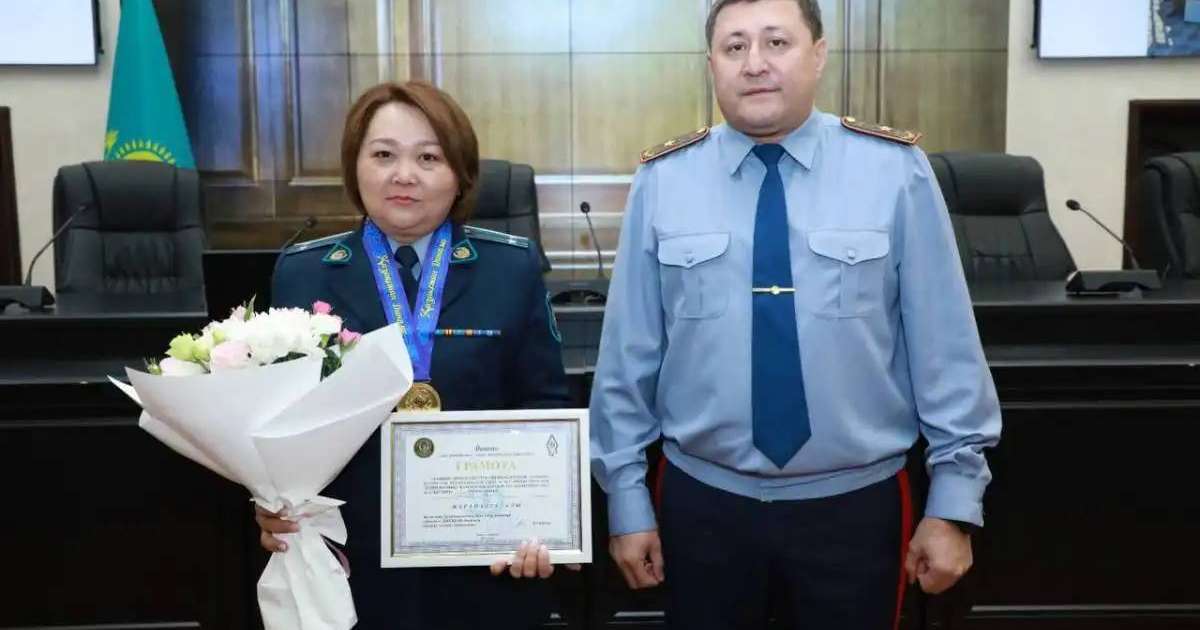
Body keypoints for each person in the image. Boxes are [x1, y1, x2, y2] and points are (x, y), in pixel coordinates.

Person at [589, 1, 1002, 628]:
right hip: (703, 507)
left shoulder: (895, 171)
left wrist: (952, 504)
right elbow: (629, 356)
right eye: (734, 47)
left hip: (857, 507)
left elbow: (945, 349)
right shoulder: (663, 180)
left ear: (819, 54)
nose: (755, 64)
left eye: (776, 42)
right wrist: (625, 498)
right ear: (711, 64)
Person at [257, 80, 571, 629]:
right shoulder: (302, 273)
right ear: (355, 168)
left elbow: (545, 404)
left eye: (428, 158)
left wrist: (544, 523)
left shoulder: (511, 268)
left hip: (485, 563)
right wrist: (266, 501)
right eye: (383, 155)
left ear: (460, 175)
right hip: (349, 561)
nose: (404, 175)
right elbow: (273, 420)